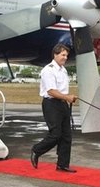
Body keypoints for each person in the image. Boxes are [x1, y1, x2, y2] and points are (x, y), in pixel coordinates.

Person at [30, 43, 78, 172]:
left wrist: (68, 98)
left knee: (67, 136)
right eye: (63, 55)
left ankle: (62, 165)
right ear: (55, 54)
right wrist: (67, 97)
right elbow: (51, 91)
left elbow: (61, 90)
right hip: (51, 104)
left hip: (63, 104)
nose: (65, 57)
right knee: (55, 134)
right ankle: (36, 150)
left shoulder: (63, 70)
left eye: (66, 55)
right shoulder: (48, 70)